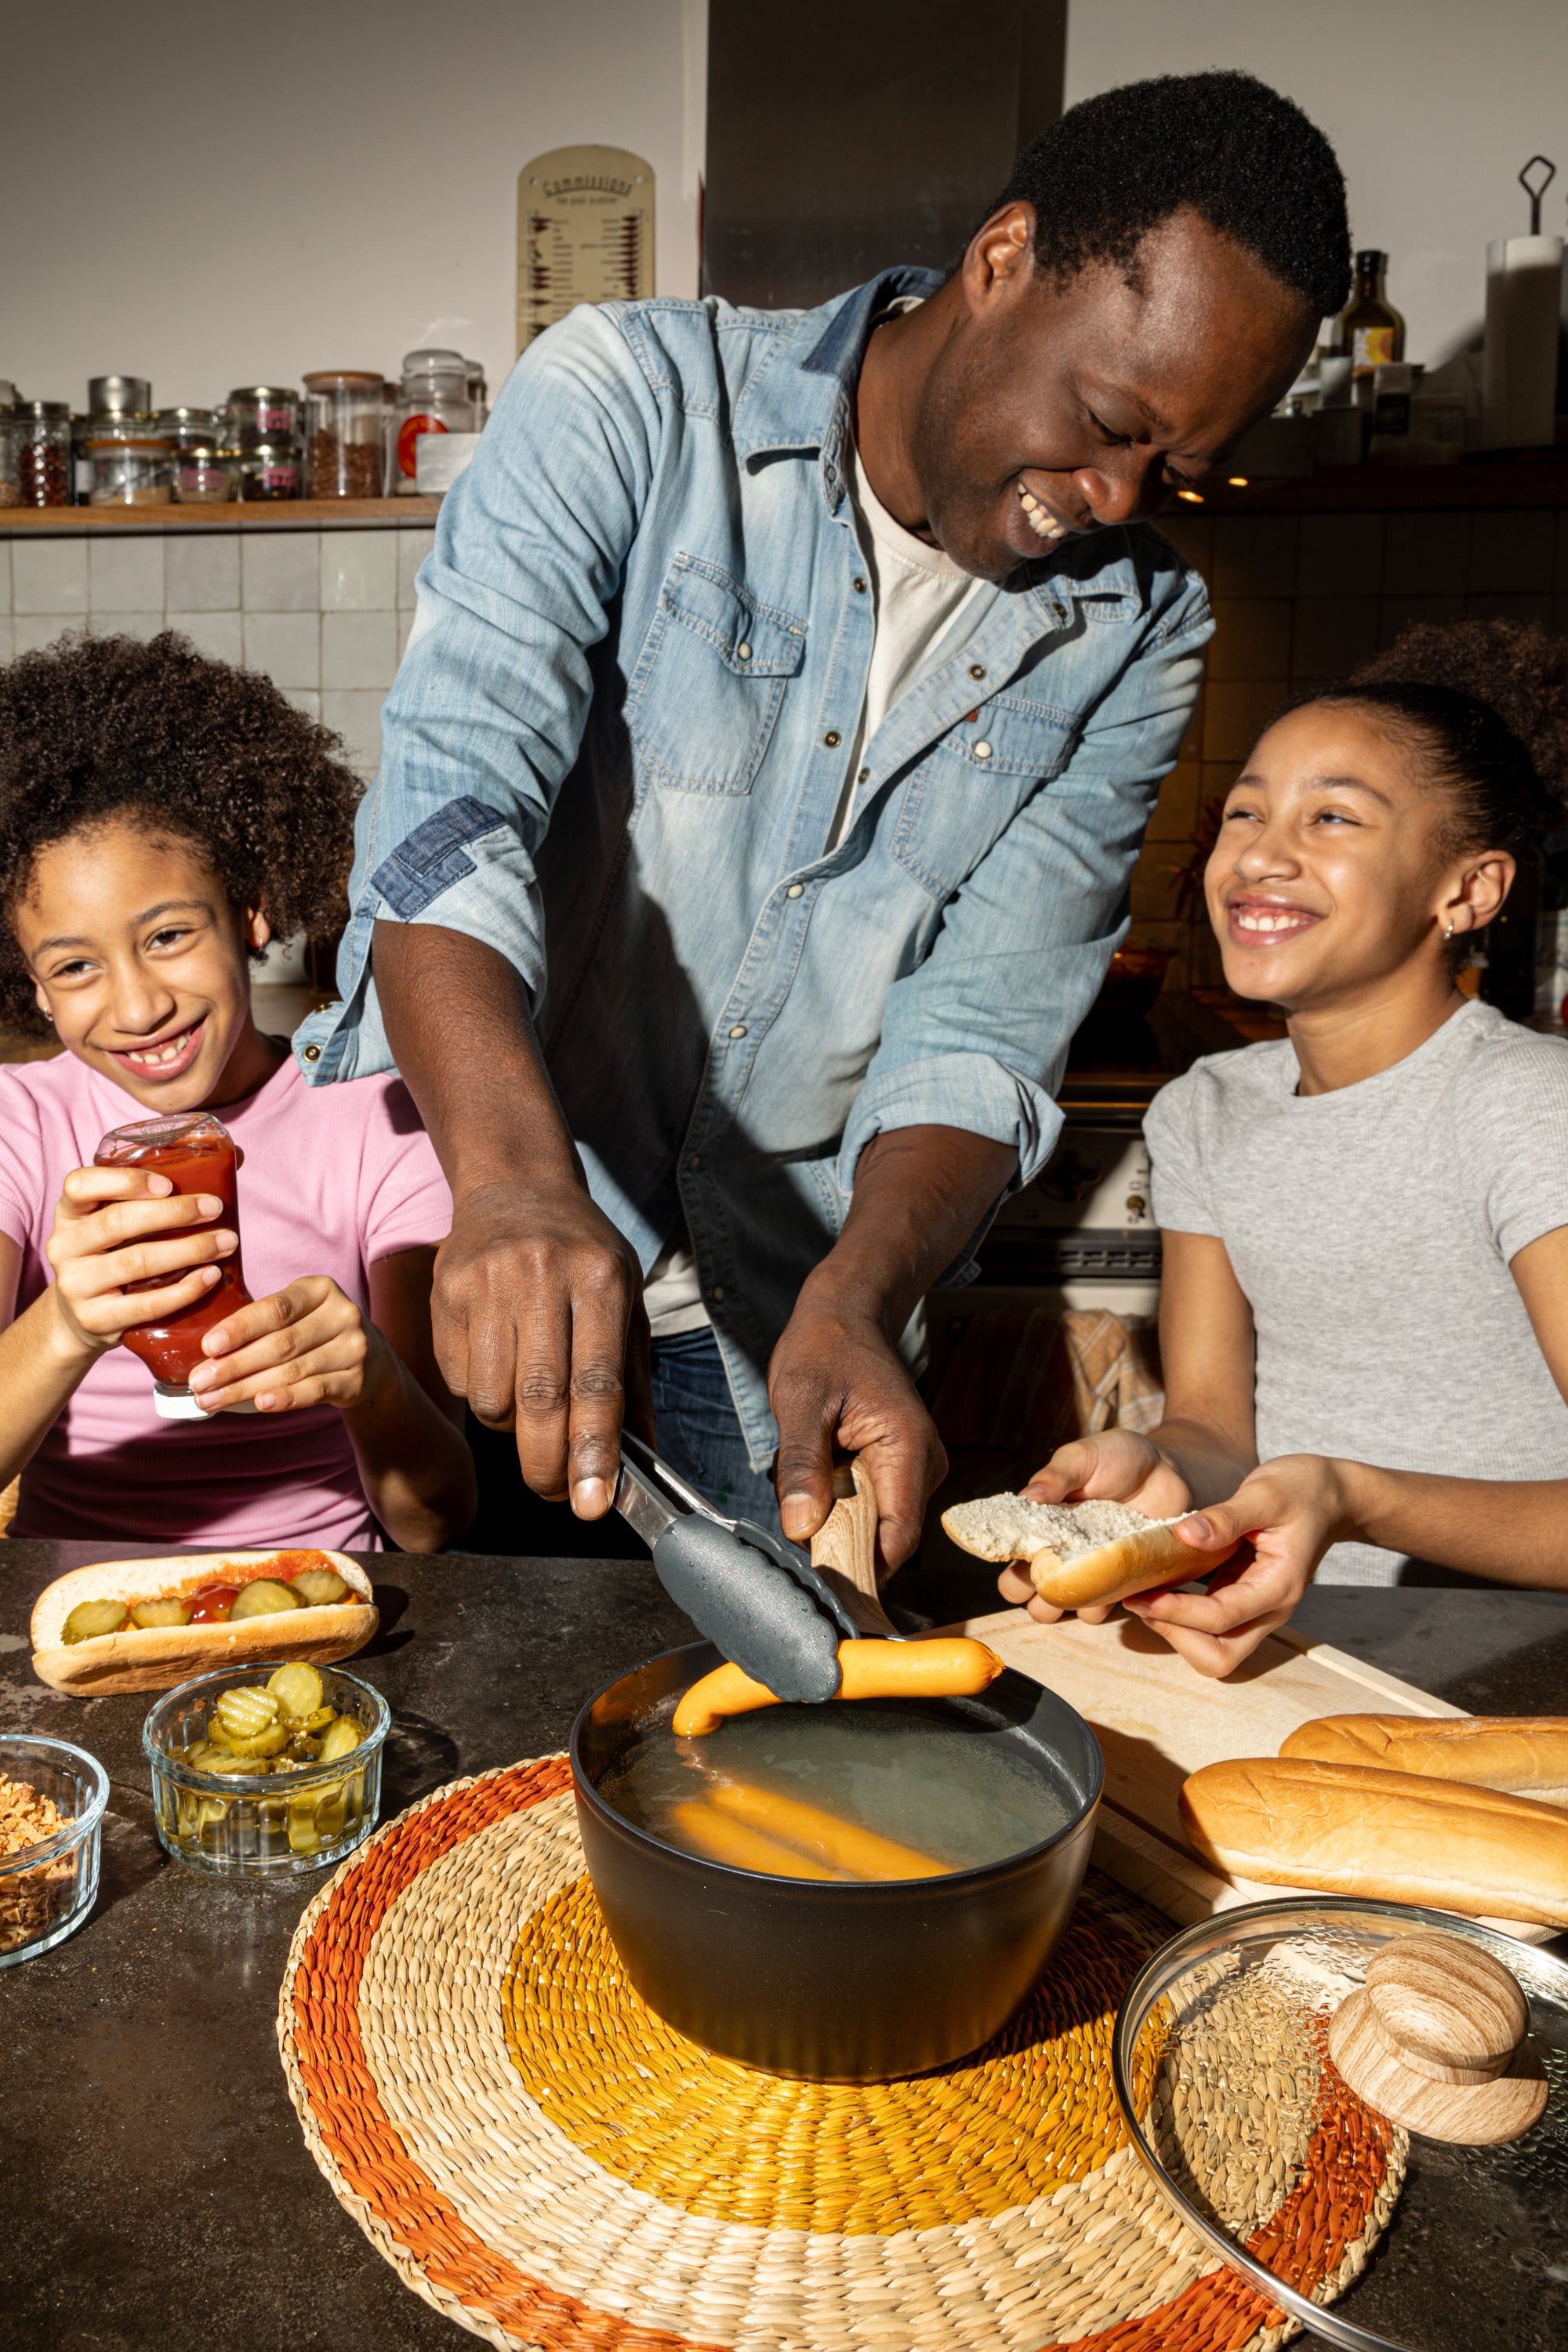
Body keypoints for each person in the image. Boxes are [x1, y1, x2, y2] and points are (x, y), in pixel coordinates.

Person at [297, 71, 1350, 1570]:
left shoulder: (1141, 627)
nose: (1118, 498)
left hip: (776, 1321)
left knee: (756, 1764)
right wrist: (519, 1182)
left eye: (1172, 468)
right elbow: (449, 816)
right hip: (471, 1234)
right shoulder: (630, 402)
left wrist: (859, 1297)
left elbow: (983, 1027)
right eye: (1109, 421)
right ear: (1002, 262)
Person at [999, 620, 1568, 1675]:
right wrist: (1155, 1470)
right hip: (1299, 1649)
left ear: (1470, 891)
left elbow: (1333, 1491)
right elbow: (1220, 1429)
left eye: (1333, 817)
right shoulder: (1209, 1107)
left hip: (1518, 1670)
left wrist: (1353, 1498)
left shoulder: (1532, 1112)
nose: (1260, 853)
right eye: (1248, 812)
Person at [0, 630, 476, 1553]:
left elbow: (435, 1521)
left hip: (322, 1600)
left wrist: (370, 1379)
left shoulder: (377, 1119)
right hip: (80, 1604)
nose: (138, 1006)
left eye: (170, 935)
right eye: (74, 966)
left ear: (250, 910)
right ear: (34, 987)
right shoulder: (19, 1123)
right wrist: (68, 1321)